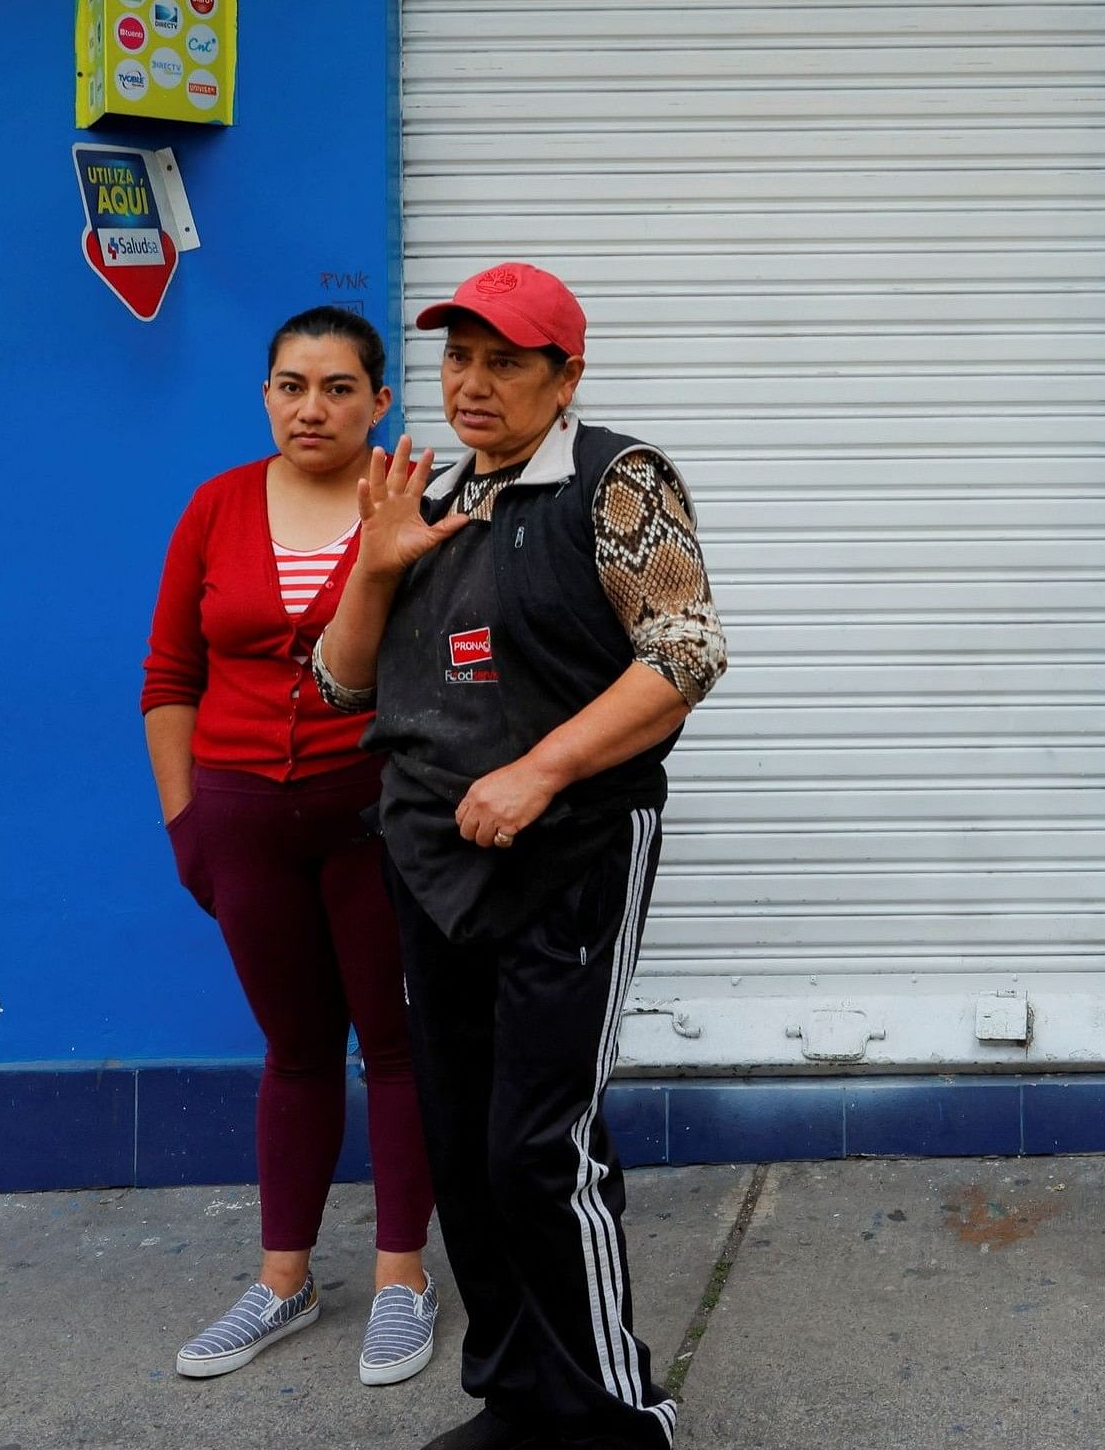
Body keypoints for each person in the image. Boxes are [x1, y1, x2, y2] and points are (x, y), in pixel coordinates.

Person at [312, 262, 726, 1450]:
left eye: (506, 361)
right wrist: (375, 565)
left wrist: (542, 767)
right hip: (431, 862)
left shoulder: (617, 479)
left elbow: (685, 653)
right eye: (457, 359)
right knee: (461, 1141)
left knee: (540, 1145)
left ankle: (612, 1417)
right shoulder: (426, 493)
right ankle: (518, 1397)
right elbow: (340, 681)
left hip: (573, 851)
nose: (473, 383)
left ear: (565, 376)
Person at [143, 307, 442, 1385]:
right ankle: (285, 1280)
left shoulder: (411, 502)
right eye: (287, 385)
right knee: (295, 1047)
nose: (308, 407)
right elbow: (170, 676)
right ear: (265, 393)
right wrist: (186, 822)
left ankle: (404, 1275)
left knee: (397, 1043)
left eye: (334, 386)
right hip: (240, 820)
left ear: (377, 400)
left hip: (374, 818)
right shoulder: (218, 505)